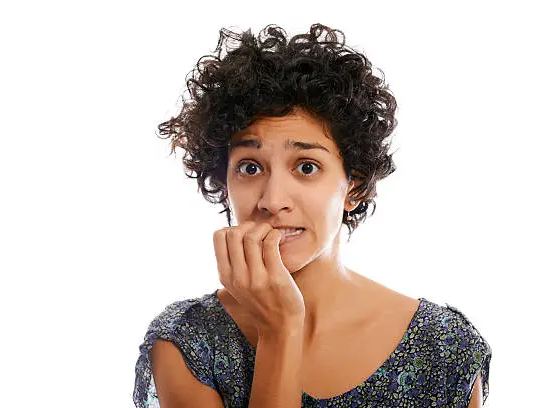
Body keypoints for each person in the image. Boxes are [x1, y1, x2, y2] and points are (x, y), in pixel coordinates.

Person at [133, 23, 491, 407]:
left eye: (306, 167)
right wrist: (280, 330)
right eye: (250, 167)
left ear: (354, 186)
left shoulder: (442, 348)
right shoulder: (187, 342)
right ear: (223, 183)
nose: (272, 200)